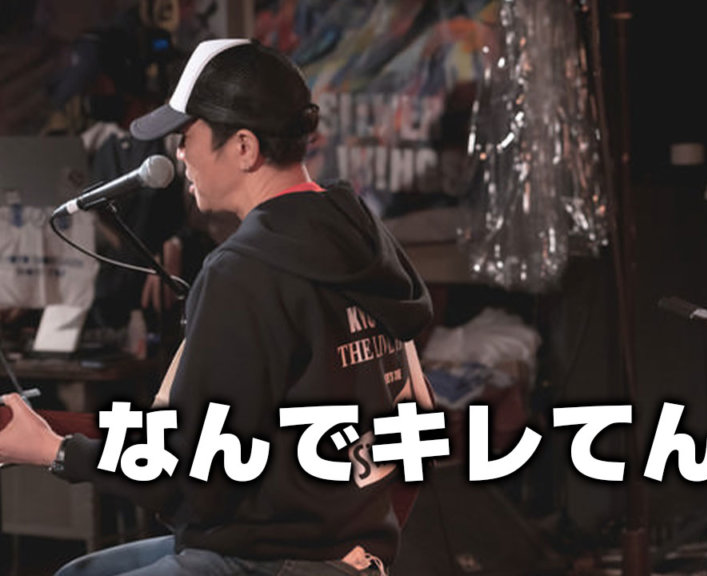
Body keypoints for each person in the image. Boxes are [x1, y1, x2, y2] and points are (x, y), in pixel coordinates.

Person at [0, 38, 433, 575]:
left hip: (273, 557)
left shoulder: (244, 271)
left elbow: (191, 478)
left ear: (244, 147)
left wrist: (54, 451)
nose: (179, 154)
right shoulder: (359, 238)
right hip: (351, 548)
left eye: (187, 136)